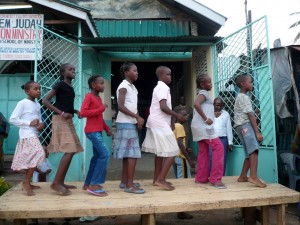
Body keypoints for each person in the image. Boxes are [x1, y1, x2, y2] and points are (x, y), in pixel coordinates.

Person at [142, 66, 186, 191]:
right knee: (173, 150)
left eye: (170, 75)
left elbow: (165, 107)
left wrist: (171, 121)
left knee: (160, 152)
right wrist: (177, 115)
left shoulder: (161, 87)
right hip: (158, 122)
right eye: (168, 74)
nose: (170, 77)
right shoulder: (162, 87)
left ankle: (156, 179)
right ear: (161, 75)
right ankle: (161, 179)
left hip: (158, 122)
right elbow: (163, 107)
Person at [43, 63, 83, 195]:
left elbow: (65, 104)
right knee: (70, 150)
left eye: (74, 69)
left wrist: (75, 111)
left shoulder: (70, 87)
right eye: (70, 69)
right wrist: (61, 113)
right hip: (60, 120)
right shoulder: (59, 84)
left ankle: (60, 182)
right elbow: (45, 101)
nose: (73, 71)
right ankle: (56, 183)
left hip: (67, 119)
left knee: (72, 150)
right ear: (63, 72)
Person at [113, 62, 145, 194]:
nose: (137, 73)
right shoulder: (123, 86)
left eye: (137, 71)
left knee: (128, 154)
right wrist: (136, 117)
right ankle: (130, 185)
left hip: (128, 122)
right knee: (132, 154)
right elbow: (120, 106)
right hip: (126, 123)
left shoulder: (133, 87)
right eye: (134, 70)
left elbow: (130, 106)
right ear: (126, 72)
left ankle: (124, 181)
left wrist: (136, 117)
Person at [9, 81, 45, 196]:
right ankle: (25, 182)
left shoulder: (38, 104)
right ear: (27, 91)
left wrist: (41, 124)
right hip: (26, 134)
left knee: (32, 158)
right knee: (39, 152)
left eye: (39, 88)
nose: (38, 90)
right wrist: (29, 123)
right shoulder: (22, 103)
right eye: (35, 89)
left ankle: (28, 182)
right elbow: (13, 119)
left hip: (34, 134)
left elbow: (39, 119)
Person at [191, 74, 226, 189]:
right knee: (219, 147)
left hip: (198, 127)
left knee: (203, 151)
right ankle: (215, 179)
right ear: (202, 84)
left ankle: (201, 178)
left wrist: (211, 115)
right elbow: (196, 104)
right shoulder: (204, 93)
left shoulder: (204, 94)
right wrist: (206, 119)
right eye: (209, 82)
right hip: (205, 127)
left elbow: (204, 107)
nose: (211, 84)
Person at [80, 75, 111, 197]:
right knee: (104, 154)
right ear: (94, 85)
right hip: (92, 131)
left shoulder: (97, 98)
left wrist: (107, 128)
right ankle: (94, 184)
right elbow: (83, 112)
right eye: (101, 83)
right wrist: (101, 109)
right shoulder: (89, 96)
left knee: (97, 156)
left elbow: (99, 117)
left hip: (97, 131)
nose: (103, 86)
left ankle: (87, 183)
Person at [234, 74, 266, 188]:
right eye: (250, 82)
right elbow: (250, 115)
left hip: (240, 125)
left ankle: (243, 176)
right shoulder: (244, 97)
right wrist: (257, 132)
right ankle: (253, 176)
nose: (252, 84)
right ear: (243, 84)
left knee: (249, 152)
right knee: (254, 150)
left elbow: (249, 114)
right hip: (245, 125)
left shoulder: (240, 97)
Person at [172, 108, 195, 220]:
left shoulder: (174, 126)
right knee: (184, 185)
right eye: (184, 115)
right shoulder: (180, 127)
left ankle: (180, 209)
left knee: (179, 182)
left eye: (187, 115)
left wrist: (186, 149)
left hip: (174, 158)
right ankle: (182, 211)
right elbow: (180, 143)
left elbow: (177, 143)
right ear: (178, 116)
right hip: (181, 158)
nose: (186, 117)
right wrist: (189, 159)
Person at [209, 97, 233, 175]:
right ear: (213, 105)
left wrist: (230, 142)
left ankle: (221, 177)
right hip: (212, 139)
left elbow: (229, 128)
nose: (219, 107)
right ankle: (211, 176)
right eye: (217, 105)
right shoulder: (208, 113)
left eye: (220, 105)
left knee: (222, 160)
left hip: (223, 139)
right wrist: (213, 116)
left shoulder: (226, 114)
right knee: (211, 159)